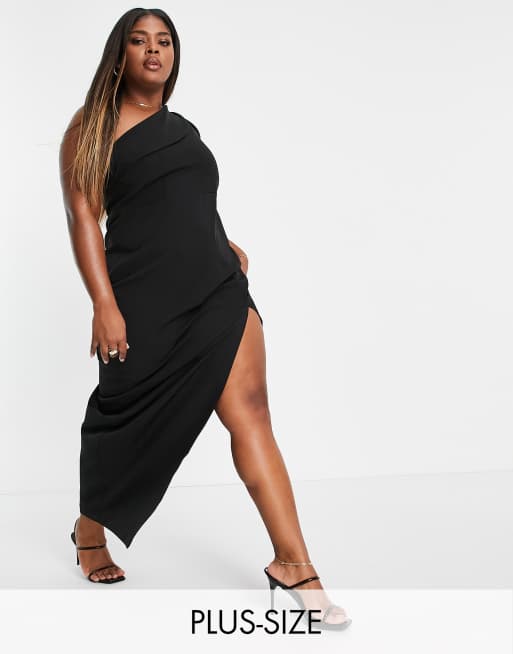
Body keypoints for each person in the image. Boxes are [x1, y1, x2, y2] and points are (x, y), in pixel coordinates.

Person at [59, 8, 351, 630]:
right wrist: (103, 304)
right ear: (120, 55)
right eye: (140, 41)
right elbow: (83, 218)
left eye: (164, 41)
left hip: (216, 288)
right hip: (142, 298)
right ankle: (89, 529)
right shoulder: (90, 127)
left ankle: (294, 564)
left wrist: (223, 242)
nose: (154, 50)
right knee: (122, 416)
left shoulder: (182, 128)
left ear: (174, 54)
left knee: (252, 413)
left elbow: (191, 203)